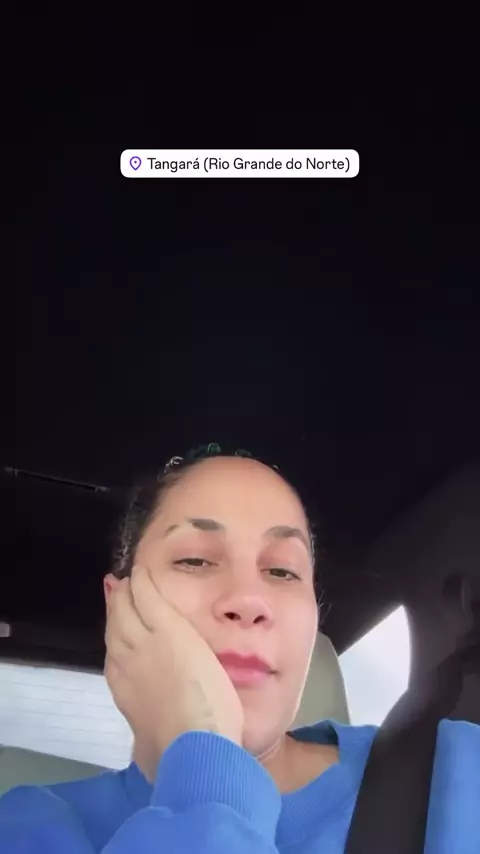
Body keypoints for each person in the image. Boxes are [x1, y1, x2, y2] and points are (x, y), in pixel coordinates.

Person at [0, 444, 478, 853]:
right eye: (195, 559)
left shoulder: (454, 771)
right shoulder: (27, 825)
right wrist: (206, 755)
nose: (249, 600)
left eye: (283, 571)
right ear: (119, 606)